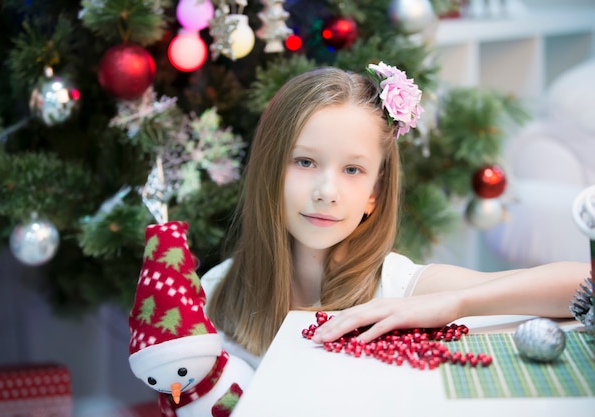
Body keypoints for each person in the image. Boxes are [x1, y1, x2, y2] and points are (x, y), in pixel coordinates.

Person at [200, 63, 589, 370]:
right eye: (305, 161)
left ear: (375, 193)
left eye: (353, 170)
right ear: (269, 169)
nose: (327, 192)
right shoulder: (213, 292)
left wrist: (456, 303)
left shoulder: (397, 287)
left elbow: (582, 284)